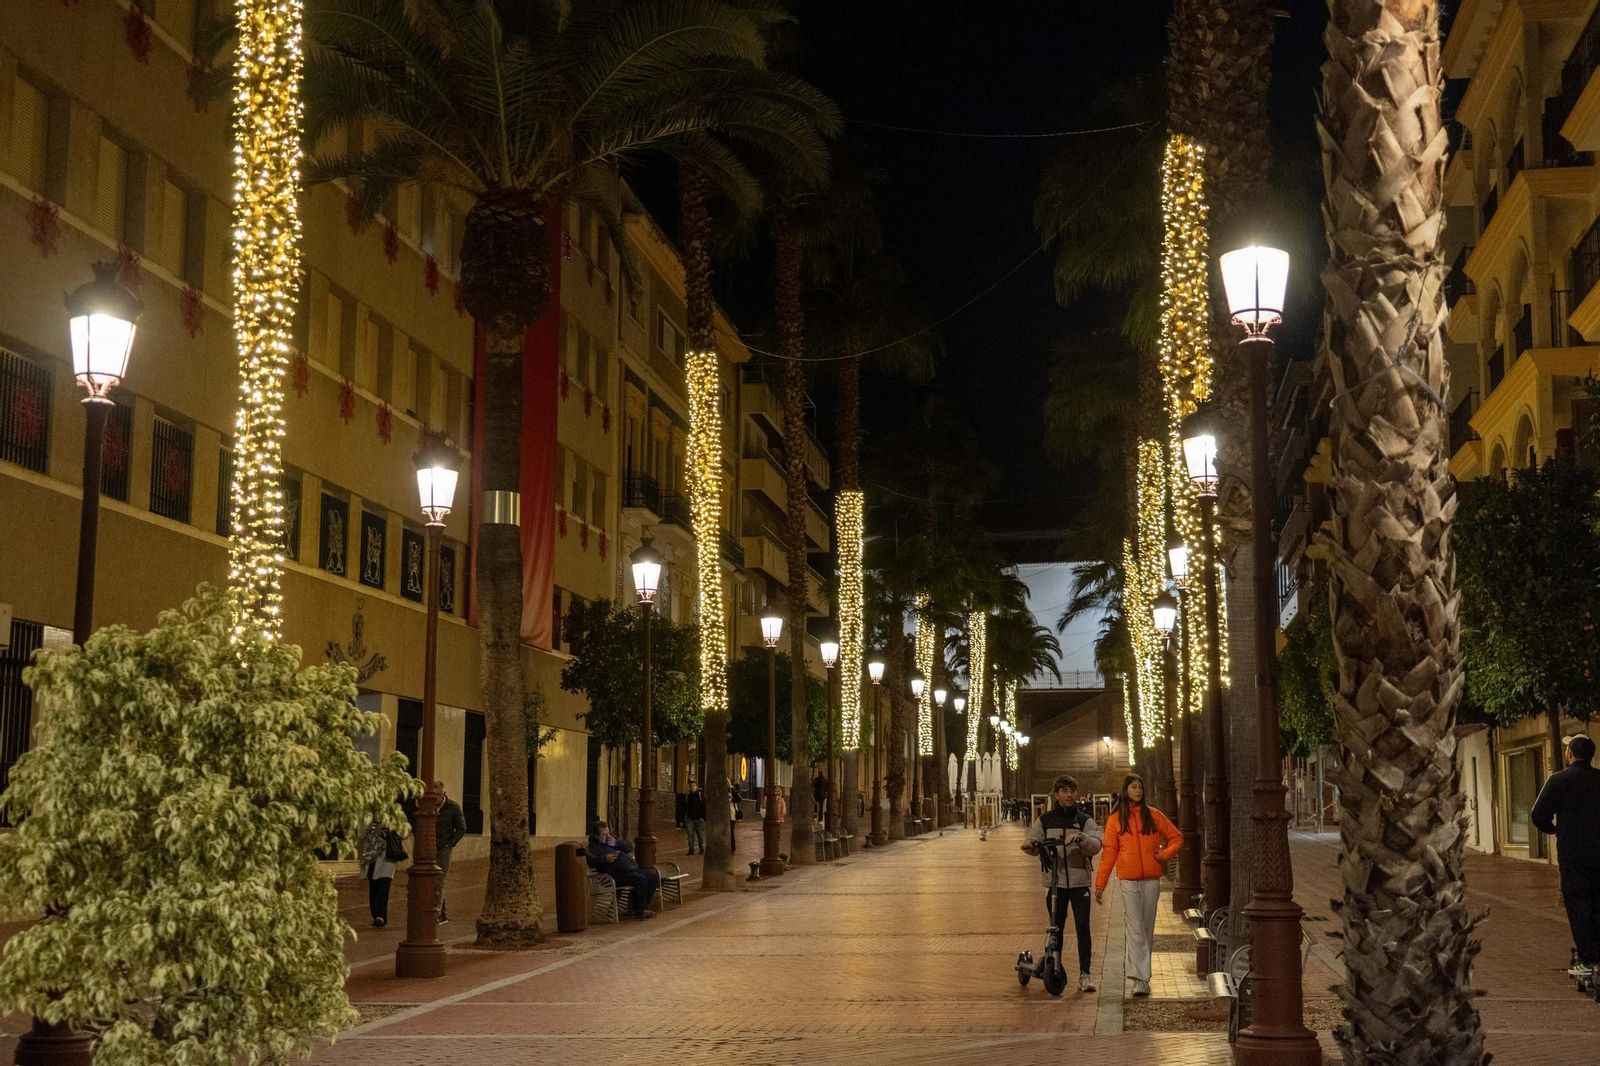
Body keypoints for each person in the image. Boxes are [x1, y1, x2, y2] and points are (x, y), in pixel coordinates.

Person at [1094, 773, 1183, 997]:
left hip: (1151, 881)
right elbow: (1109, 853)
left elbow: (1177, 837)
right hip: (1128, 881)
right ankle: (1141, 979)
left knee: (1146, 928)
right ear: (1126, 791)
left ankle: (1137, 974)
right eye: (1134, 787)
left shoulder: (1154, 816)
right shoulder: (1115, 820)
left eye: (1140, 787)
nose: (1138, 791)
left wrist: (1164, 855)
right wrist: (1100, 884)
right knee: (1135, 928)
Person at [1023, 774, 1103, 992]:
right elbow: (1032, 843)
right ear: (1057, 794)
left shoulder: (1085, 820)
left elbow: (1096, 845)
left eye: (1072, 791)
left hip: (1079, 884)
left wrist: (1081, 838)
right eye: (1065, 791)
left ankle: (1085, 975)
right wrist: (1030, 844)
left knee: (1082, 928)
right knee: (1056, 928)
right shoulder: (1046, 820)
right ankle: (1055, 968)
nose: (1070, 795)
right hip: (1055, 885)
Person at [1533, 734, 1600, 979]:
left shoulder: (1559, 780)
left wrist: (1554, 829)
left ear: (1570, 753)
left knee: (1579, 905)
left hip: (1573, 857)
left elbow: (1538, 814)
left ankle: (1588, 959)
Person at [586, 819, 659, 919]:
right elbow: (591, 859)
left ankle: (644, 906)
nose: (607, 836)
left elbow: (629, 847)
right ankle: (639, 910)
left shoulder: (611, 840)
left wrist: (616, 843)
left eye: (608, 833)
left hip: (629, 870)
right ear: (596, 836)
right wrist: (605, 859)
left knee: (653, 877)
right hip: (614, 874)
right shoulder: (593, 847)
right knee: (640, 879)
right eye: (603, 835)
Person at [359, 818, 405, 927]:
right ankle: (375, 915)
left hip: (387, 856)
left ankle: (381, 916)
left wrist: (389, 826)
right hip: (371, 857)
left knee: (384, 885)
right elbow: (361, 834)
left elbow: (403, 833)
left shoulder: (393, 815)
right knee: (373, 886)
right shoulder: (367, 818)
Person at [434, 782, 467, 924]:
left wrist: (449, 844)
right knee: (431, 880)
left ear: (444, 794)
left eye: (438, 795)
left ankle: (436, 912)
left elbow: (461, 828)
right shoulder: (427, 807)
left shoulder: (453, 807)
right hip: (429, 848)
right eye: (433, 794)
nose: (435, 797)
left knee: (439, 879)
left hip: (444, 848)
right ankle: (443, 914)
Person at [685, 782, 708, 855]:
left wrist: (703, 817)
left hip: (699, 819)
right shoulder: (688, 797)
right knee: (690, 835)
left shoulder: (700, 796)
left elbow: (704, 807)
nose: (692, 787)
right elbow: (685, 808)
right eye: (691, 786)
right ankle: (691, 850)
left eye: (693, 785)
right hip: (690, 819)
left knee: (700, 835)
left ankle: (701, 848)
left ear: (696, 787)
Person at [730, 784, 743, 853]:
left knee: (730, 832)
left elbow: (739, 799)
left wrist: (733, 789)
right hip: (723, 815)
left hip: (732, 815)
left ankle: (732, 848)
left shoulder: (732, 791)